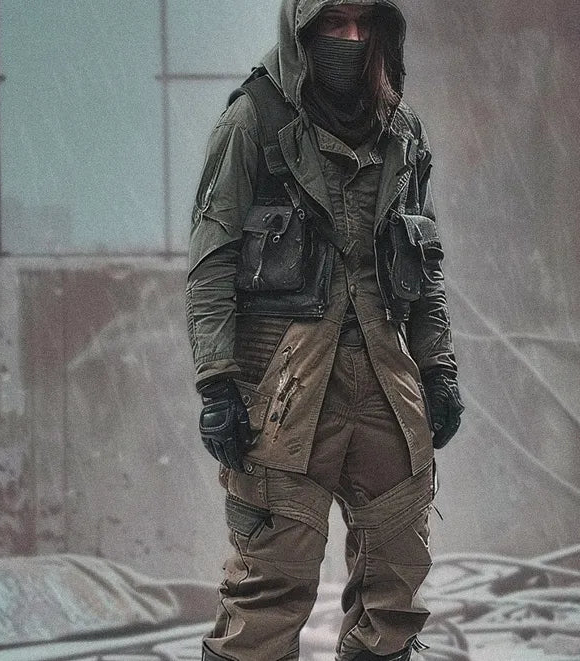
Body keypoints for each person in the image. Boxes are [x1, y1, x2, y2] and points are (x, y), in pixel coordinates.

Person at [185, 1, 462, 659]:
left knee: (394, 595)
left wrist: (439, 369)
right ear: (302, 29)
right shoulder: (252, 122)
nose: (351, 38)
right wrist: (217, 382)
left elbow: (424, 264)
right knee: (267, 595)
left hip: (388, 393)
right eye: (335, 23)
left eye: (365, 25)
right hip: (282, 398)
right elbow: (211, 260)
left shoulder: (402, 132)